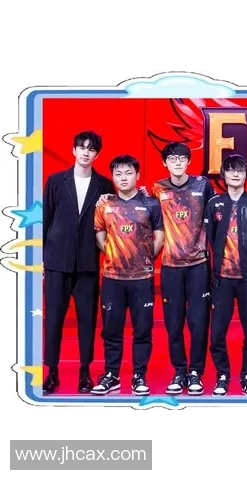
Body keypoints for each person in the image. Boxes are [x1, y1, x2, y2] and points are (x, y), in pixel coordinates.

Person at [42, 130, 115, 394]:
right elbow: (46, 219)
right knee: (53, 320)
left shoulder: (105, 185)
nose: (86, 152)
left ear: (97, 154)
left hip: (87, 263)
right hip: (56, 262)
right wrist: (43, 260)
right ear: (74, 150)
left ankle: (85, 372)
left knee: (87, 320)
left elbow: (111, 221)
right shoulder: (56, 181)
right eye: (82, 147)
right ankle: (51, 372)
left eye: (91, 149)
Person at [91, 155, 164, 395]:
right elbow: (100, 233)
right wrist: (114, 254)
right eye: (118, 174)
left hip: (141, 279)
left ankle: (139, 376)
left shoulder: (151, 204)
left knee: (142, 330)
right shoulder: (104, 204)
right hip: (112, 278)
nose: (123, 178)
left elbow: (159, 238)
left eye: (128, 173)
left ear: (137, 175)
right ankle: (111, 375)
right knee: (111, 330)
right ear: (113, 177)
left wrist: (144, 258)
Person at [151, 142, 215, 396]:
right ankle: (180, 371)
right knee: (174, 323)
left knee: (198, 322)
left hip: (199, 265)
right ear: (164, 163)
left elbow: (219, 210)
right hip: (170, 266)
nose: (177, 162)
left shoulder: (203, 185)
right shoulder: (157, 188)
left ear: (189, 161)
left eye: (181, 158)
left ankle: (196, 371)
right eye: (172, 159)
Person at [204, 154, 247, 396]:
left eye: (240, 170)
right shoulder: (214, 204)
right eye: (230, 170)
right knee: (217, 333)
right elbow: (211, 237)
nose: (235, 174)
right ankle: (222, 375)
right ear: (223, 175)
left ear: (246, 175)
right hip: (221, 279)